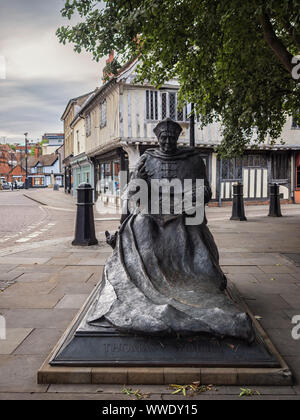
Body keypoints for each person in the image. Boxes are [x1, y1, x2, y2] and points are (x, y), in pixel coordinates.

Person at [88, 118, 254, 342]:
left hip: (183, 212)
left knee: (191, 231)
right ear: (157, 138)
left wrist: (197, 195)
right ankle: (142, 280)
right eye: (163, 138)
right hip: (152, 212)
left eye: (171, 138)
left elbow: (205, 190)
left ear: (177, 138)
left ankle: (199, 281)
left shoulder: (193, 160)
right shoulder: (147, 158)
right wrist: (139, 180)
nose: (167, 142)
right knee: (140, 226)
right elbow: (132, 194)